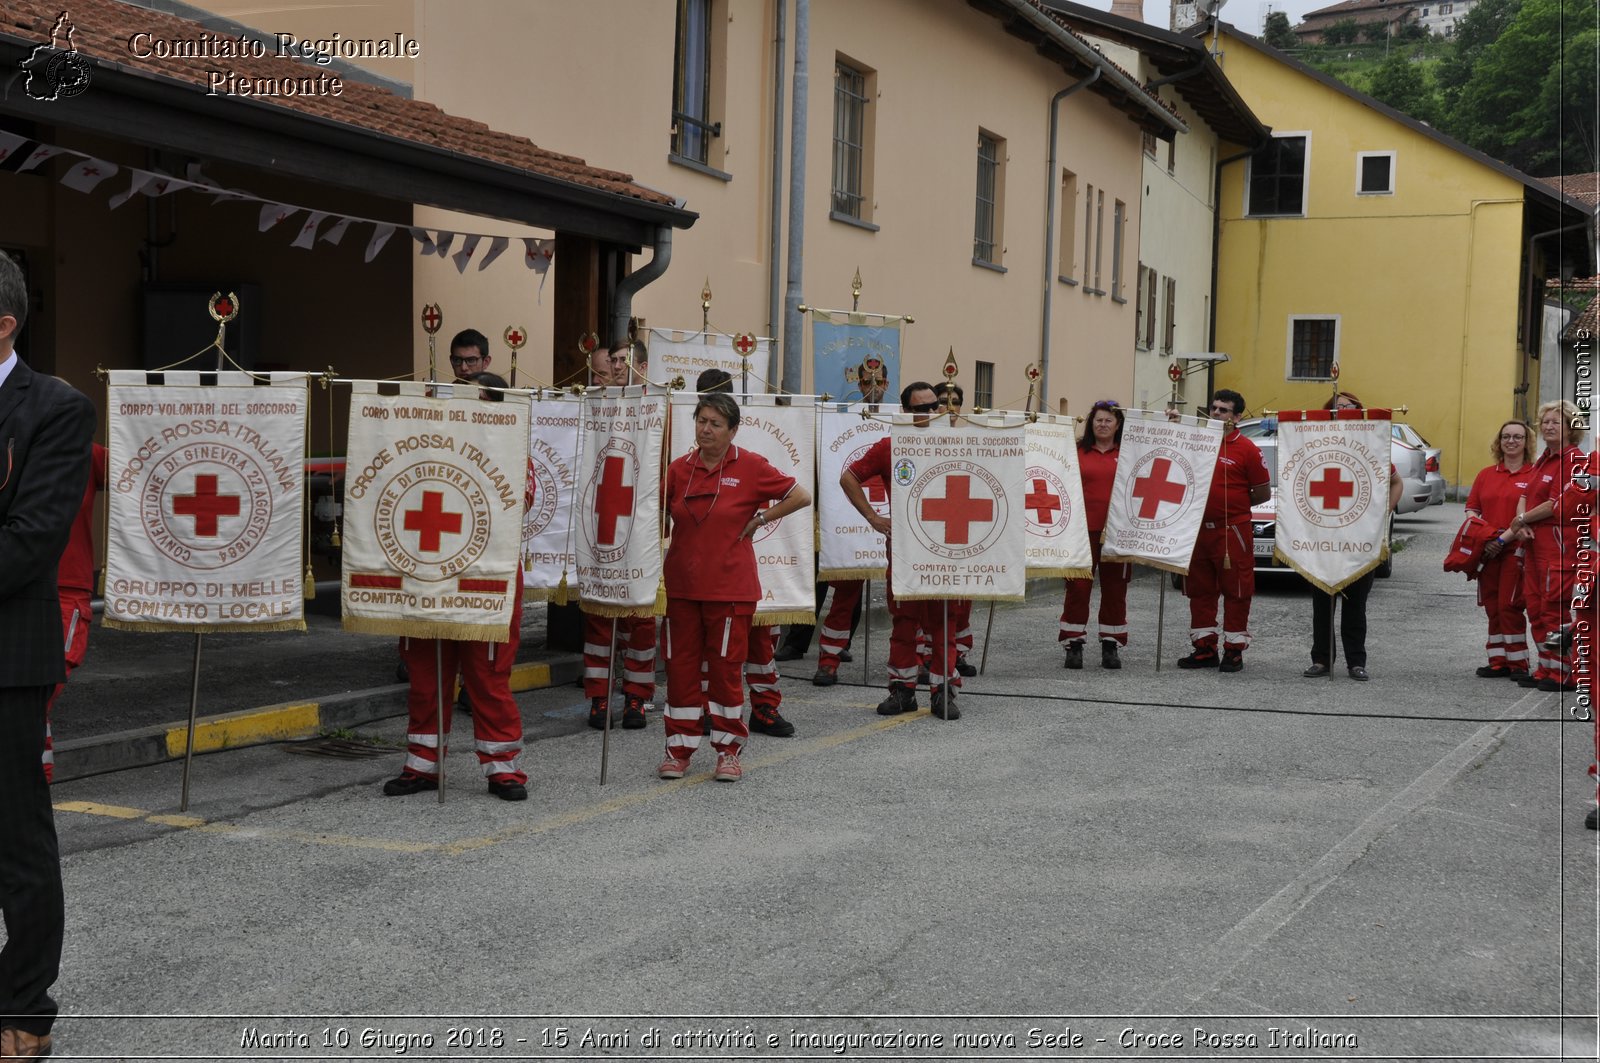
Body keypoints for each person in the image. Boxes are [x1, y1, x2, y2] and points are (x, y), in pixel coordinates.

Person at [0, 251, 95, 1060]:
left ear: (3, 324)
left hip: (6, 656)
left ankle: (24, 1005)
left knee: (15, 838)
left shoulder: (55, 409)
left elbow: (29, 542)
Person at [381, 371, 529, 801]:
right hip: (427, 575)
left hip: (487, 578)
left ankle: (502, 769)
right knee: (425, 677)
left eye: (475, 401)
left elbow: (523, 500)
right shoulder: (424, 449)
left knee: (488, 678)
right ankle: (421, 766)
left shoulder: (514, 448)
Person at [658, 392, 811, 781]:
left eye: (715, 423)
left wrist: (761, 519)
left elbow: (800, 495)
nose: (705, 429)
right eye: (701, 421)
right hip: (682, 588)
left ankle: (728, 752)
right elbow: (660, 513)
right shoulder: (679, 469)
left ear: (732, 430)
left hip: (730, 589)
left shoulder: (751, 467)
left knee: (726, 673)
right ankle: (678, 751)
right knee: (680, 670)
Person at [842, 381, 966, 719]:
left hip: (947, 547)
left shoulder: (960, 444)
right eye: (921, 408)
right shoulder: (889, 446)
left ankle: (944, 694)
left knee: (944, 621)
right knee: (903, 622)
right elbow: (849, 477)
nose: (930, 413)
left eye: (935, 406)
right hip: (905, 550)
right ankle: (901, 691)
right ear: (905, 412)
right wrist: (873, 517)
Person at [694, 369, 795, 738]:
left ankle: (765, 707)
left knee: (762, 638)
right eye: (705, 400)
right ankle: (708, 708)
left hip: (761, 553)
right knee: (710, 645)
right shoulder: (689, 438)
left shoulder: (755, 440)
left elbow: (793, 489)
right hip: (709, 563)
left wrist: (762, 518)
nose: (708, 424)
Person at [778, 359, 886, 665]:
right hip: (834, 510)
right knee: (816, 580)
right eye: (866, 382)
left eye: (878, 383)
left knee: (854, 580)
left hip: (873, 509)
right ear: (859, 385)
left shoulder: (898, 420)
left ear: (887, 386)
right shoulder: (839, 417)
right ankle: (797, 643)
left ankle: (841, 643)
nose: (872, 388)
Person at [581, 341, 657, 729]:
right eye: (610, 363)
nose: (614, 368)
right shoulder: (591, 407)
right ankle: (597, 697)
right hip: (602, 522)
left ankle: (636, 698)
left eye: (622, 362)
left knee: (641, 619)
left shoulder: (659, 409)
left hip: (642, 527)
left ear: (642, 365)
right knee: (598, 614)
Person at [1301, 392, 1404, 681]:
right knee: (1322, 604)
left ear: (1360, 411)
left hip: (1360, 541)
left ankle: (1355, 662)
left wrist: (1382, 513)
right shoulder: (1314, 445)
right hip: (1322, 539)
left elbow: (1396, 483)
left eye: (1349, 407)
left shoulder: (1372, 448)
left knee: (1355, 605)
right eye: (1337, 407)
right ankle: (1321, 659)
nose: (1343, 410)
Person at [1179, 389, 1271, 672]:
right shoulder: (1198, 443)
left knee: (1237, 590)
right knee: (1200, 590)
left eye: (1224, 410)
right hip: (1199, 532)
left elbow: (1262, 493)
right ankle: (1204, 648)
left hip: (1233, 531)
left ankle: (1233, 649)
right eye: (1214, 408)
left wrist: (1234, 508)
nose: (1217, 413)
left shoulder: (1247, 449)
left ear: (1238, 416)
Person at [1504, 399, 1586, 691]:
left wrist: (1522, 520)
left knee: (1555, 611)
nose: (1549, 427)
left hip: (1558, 545)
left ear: (1570, 429)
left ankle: (1565, 672)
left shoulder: (1572, 460)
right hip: (1534, 543)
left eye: (1556, 422)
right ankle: (1545, 668)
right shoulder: (1543, 459)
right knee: (1536, 608)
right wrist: (1521, 522)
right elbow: (1526, 493)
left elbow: (1555, 504)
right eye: (1546, 422)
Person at [41, 442, 106, 780]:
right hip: (14, 584)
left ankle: (31, 783)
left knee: (38, 692)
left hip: (65, 589)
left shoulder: (83, 450)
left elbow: (150, 469)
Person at [1060, 399, 1131, 670]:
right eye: (1098, 420)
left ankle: (1111, 644)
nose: (1102, 424)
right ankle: (1073, 643)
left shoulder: (1127, 453)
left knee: (1115, 589)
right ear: (1091, 423)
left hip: (1117, 532)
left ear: (1118, 425)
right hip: (1080, 531)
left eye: (1108, 420)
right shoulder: (1076, 451)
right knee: (1077, 589)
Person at [1464, 419, 1535, 680]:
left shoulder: (1533, 474)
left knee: (1509, 605)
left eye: (1518, 437)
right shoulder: (1486, 475)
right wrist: (1484, 536)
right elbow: (1472, 509)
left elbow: (1529, 515)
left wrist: (1501, 540)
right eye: (1506, 437)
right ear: (1499, 441)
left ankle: (1519, 664)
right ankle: (1498, 661)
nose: (1511, 441)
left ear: (1527, 443)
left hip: (1515, 550)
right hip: (1487, 551)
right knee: (1492, 606)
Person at [934, 381, 979, 678]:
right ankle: (928, 653)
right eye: (942, 400)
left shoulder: (971, 439)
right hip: (934, 523)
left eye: (955, 401)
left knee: (963, 595)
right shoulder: (920, 439)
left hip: (963, 524)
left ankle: (958, 652)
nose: (949, 407)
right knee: (934, 598)